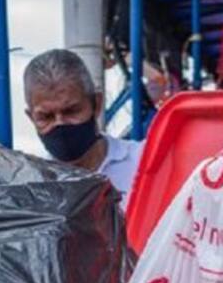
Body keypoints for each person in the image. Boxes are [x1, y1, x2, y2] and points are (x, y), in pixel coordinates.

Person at [23, 48, 144, 207]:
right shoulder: (28, 188)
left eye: (71, 111)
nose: (60, 124)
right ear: (31, 117)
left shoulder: (144, 163)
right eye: (46, 117)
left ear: (97, 104)